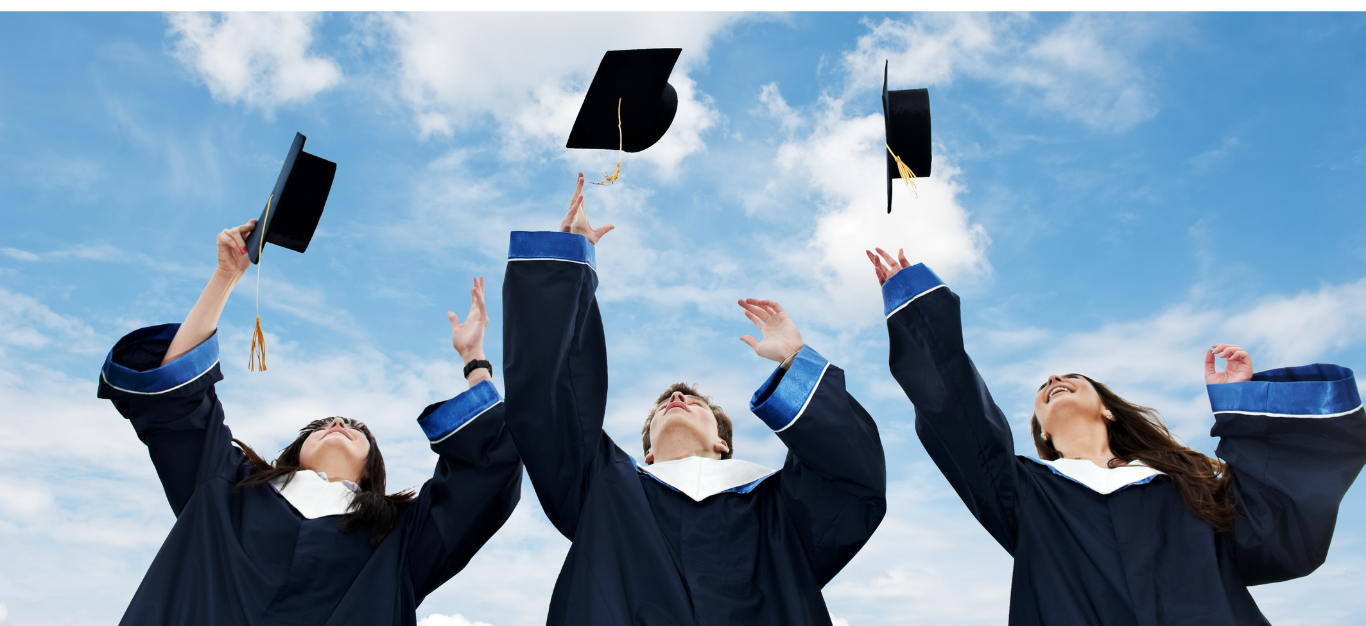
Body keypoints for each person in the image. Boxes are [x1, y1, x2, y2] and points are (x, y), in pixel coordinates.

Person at [866, 247, 1366, 626]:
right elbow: (957, 413)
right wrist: (918, 315)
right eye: (1043, 389)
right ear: (1038, 427)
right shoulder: (1024, 493)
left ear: (1105, 406)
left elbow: (1280, 536)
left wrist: (1243, 407)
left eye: (1071, 378)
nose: (1053, 380)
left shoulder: (1187, 486)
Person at [499, 174, 887, 626]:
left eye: (693, 403)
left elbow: (850, 474)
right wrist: (570, 268)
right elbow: (550, 398)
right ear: (645, 451)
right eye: (664, 405)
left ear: (723, 443)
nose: (677, 397)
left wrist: (794, 361)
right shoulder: (601, 491)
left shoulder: (780, 507)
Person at [96, 220, 522, 626]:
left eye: (355, 427)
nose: (337, 422)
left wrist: (474, 362)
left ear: (373, 466)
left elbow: (486, 473)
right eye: (322, 424)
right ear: (294, 452)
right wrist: (226, 276)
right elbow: (176, 400)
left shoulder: (400, 539)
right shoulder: (226, 488)